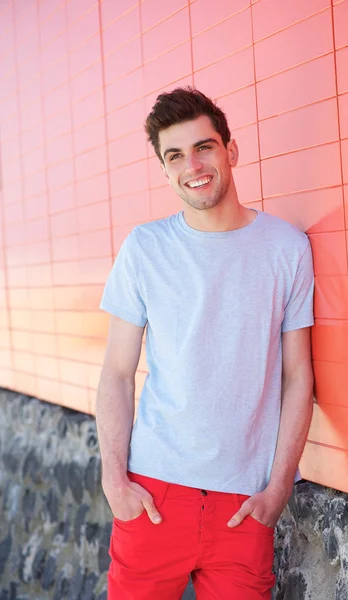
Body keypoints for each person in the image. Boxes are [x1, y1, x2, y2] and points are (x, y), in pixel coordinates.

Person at [96, 87, 314, 600]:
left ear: (230, 151)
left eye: (204, 147)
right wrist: (114, 480)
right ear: (164, 168)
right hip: (153, 494)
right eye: (174, 155)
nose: (192, 165)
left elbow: (299, 376)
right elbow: (117, 373)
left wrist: (278, 490)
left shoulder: (286, 248)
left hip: (243, 505)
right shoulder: (145, 248)